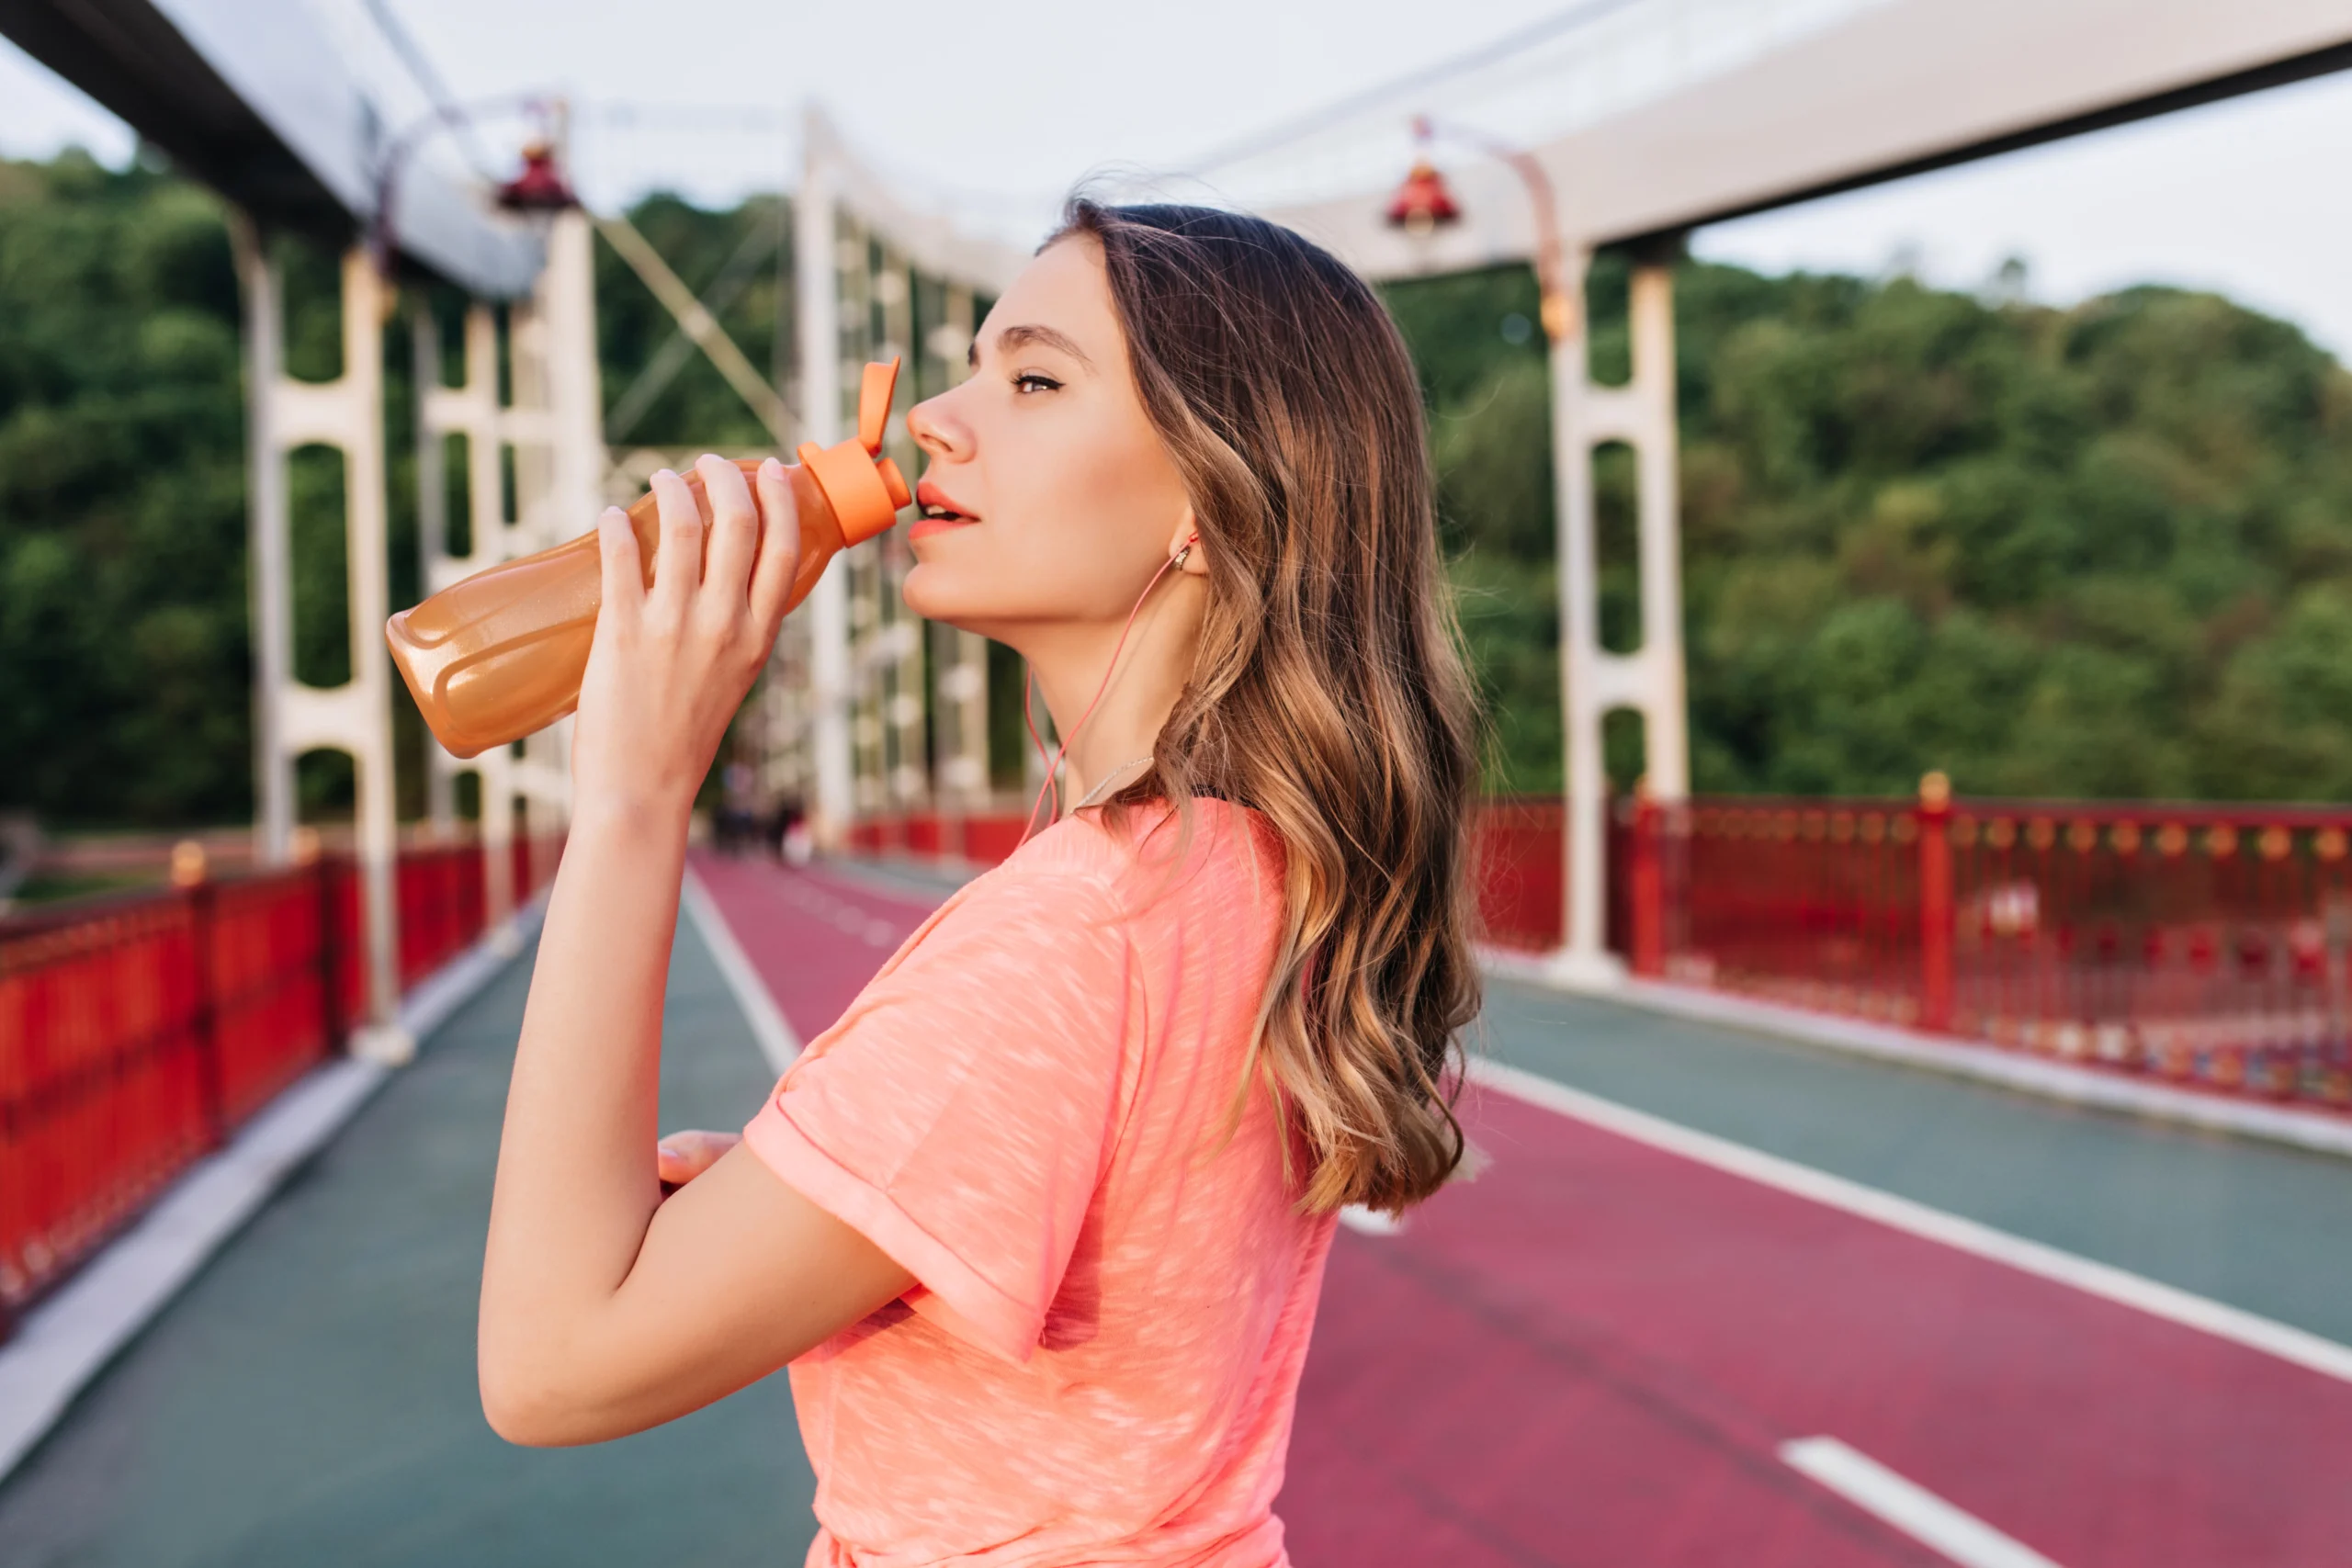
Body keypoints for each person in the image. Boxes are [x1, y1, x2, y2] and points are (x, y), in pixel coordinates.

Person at [477, 199, 1484, 1567]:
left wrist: (634, 796)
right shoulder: (1258, 870)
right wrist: (819, 1202)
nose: (940, 417)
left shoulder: (1070, 933)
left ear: (1210, 496)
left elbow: (550, 1366)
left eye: (1032, 379)